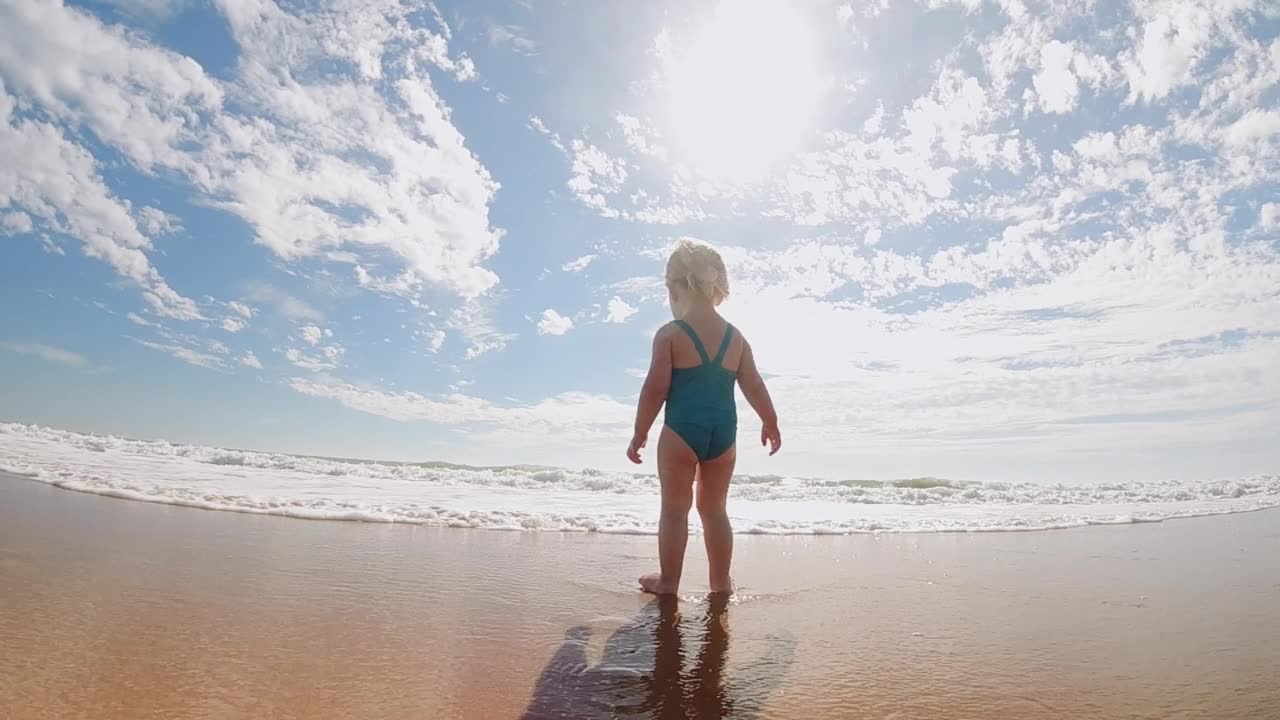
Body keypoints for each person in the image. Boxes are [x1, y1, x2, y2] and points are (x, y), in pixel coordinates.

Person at [627, 239, 781, 596]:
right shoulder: (736, 337)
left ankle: (668, 583)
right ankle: (720, 583)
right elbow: (754, 386)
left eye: (670, 292)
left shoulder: (670, 334)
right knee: (714, 511)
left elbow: (655, 389)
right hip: (723, 436)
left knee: (674, 512)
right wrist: (770, 421)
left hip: (681, 432)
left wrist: (640, 432)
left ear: (678, 288)